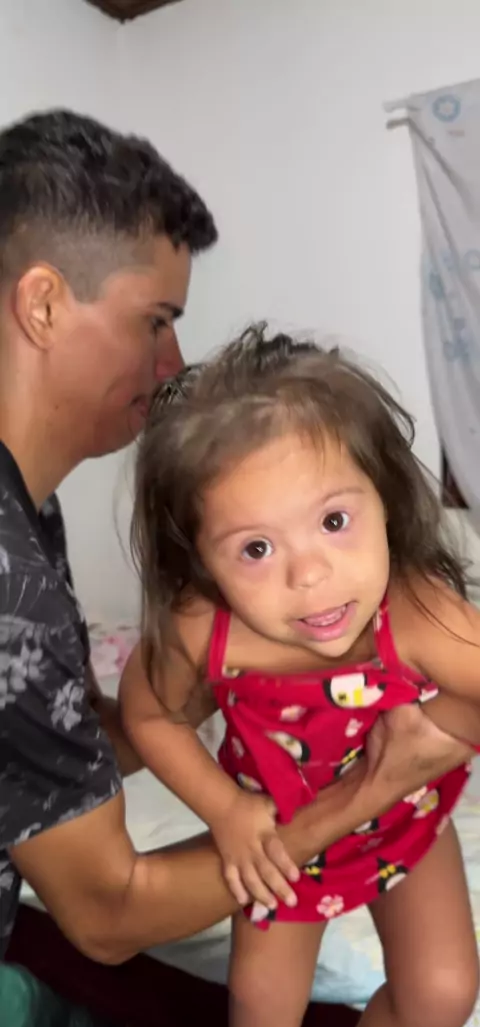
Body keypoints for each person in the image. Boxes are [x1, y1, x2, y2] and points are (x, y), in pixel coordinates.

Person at [0, 108, 471, 981]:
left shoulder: (28, 511)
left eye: (335, 520)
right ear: (44, 303)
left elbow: (70, 741)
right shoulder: (7, 577)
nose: (174, 362)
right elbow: (107, 917)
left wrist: (211, 684)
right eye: (156, 320)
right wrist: (362, 787)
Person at [121, 324, 480, 1027]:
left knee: (442, 995)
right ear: (200, 559)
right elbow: (152, 717)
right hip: (279, 839)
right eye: (256, 548)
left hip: (404, 814)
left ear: (386, 500)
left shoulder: (416, 614)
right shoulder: (204, 631)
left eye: (335, 520)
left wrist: (443, 733)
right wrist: (226, 811)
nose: (309, 575)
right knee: (260, 1011)